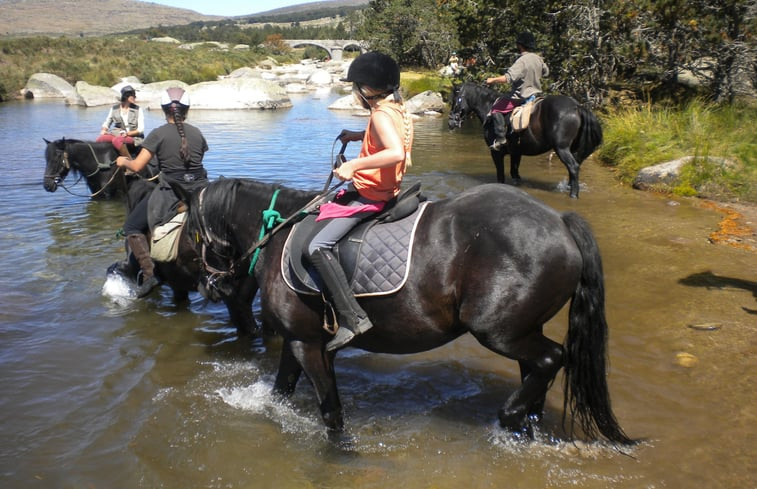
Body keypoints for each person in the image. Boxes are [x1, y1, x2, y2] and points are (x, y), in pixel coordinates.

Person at [303, 51, 414, 351]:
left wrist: (353, 166)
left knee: (316, 246)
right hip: (386, 190)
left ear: (367, 90)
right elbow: (389, 137)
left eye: (355, 87)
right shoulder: (396, 110)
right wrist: (358, 135)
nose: (353, 92)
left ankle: (353, 319)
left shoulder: (379, 114)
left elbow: (395, 152)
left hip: (371, 196)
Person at [115, 87, 209, 297]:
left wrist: (123, 161)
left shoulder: (158, 134)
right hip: (201, 190)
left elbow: (138, 167)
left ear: (164, 109)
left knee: (131, 226)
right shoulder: (197, 133)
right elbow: (196, 161)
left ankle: (150, 274)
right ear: (187, 110)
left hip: (171, 193)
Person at [484, 32, 549, 150]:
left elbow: (507, 78)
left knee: (495, 109)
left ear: (520, 45)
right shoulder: (538, 58)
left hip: (519, 97)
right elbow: (546, 72)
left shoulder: (522, 61)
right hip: (536, 96)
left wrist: (492, 80)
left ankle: (500, 139)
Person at [97, 85, 145, 158]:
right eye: (133, 95)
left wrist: (127, 134)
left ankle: (130, 163)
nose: (135, 97)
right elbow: (107, 122)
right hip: (117, 134)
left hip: (134, 138)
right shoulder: (114, 108)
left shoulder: (138, 109)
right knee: (100, 139)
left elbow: (140, 130)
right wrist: (104, 130)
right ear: (126, 96)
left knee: (118, 140)